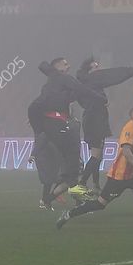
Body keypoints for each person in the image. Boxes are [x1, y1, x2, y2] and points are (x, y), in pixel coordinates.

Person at [57, 106, 133, 233]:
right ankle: (68, 214)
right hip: (118, 176)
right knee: (100, 204)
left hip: (132, 175)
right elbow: (126, 150)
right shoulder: (130, 128)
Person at [29, 58, 107, 210]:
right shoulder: (57, 84)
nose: (69, 66)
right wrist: (100, 98)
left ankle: (49, 199)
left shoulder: (59, 87)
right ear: (56, 67)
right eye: (65, 64)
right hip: (58, 128)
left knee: (70, 173)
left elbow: (77, 93)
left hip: (61, 127)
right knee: (70, 169)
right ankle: (78, 194)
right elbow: (81, 90)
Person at [68, 56, 133, 197]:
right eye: (96, 66)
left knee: (97, 156)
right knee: (97, 155)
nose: (99, 69)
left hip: (91, 119)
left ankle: (95, 185)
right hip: (96, 120)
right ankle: (81, 184)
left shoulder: (81, 83)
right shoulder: (93, 79)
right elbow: (113, 76)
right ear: (90, 69)